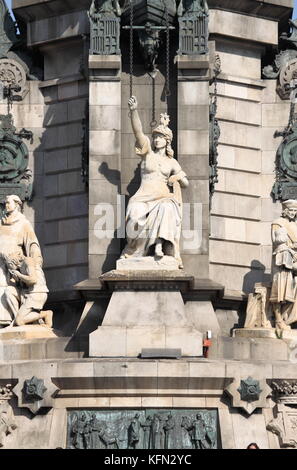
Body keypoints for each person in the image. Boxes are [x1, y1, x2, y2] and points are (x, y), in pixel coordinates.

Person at [120, 96, 189, 268]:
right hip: (142, 198)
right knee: (135, 217)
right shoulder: (147, 154)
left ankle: (158, 245)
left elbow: (186, 182)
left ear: (167, 141)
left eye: (160, 137)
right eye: (155, 137)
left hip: (163, 198)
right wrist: (133, 111)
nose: (156, 139)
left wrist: (176, 178)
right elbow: (138, 132)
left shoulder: (172, 162)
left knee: (167, 207)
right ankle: (135, 251)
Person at [3, 251, 51, 327]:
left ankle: (46, 314)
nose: (9, 268)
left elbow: (33, 280)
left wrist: (19, 275)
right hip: (27, 294)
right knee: (9, 290)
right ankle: (20, 318)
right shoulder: (20, 267)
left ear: (13, 262)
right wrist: (15, 277)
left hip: (37, 293)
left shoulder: (28, 261)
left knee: (19, 321)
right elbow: (19, 284)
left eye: (9, 265)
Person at [270, 199, 297, 330]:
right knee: (280, 290)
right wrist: (290, 247)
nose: (293, 213)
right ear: (285, 211)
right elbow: (275, 241)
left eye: (295, 211)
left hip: (295, 260)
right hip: (282, 261)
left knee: (293, 290)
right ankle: (278, 319)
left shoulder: (295, 225)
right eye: (291, 210)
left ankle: (288, 318)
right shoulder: (277, 223)